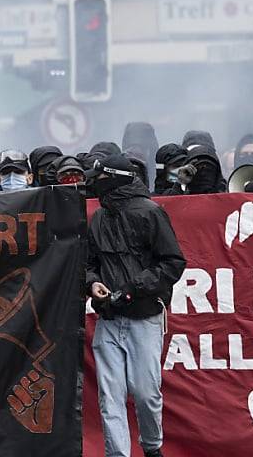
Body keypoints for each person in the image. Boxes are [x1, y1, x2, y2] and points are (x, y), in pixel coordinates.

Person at [85, 154, 187, 457]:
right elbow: (89, 263)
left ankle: (152, 448)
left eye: (100, 177)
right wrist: (92, 284)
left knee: (145, 393)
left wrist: (133, 289)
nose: (94, 183)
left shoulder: (151, 213)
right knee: (110, 395)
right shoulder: (98, 218)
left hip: (144, 317)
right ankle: (118, 454)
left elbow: (173, 263)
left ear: (114, 177)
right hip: (109, 318)